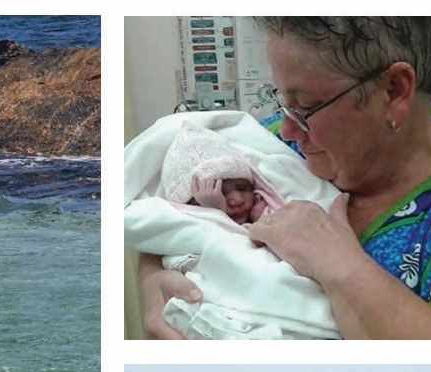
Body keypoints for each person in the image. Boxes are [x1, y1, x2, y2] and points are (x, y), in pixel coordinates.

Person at [136, 17, 431, 339]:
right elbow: (171, 207)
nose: (286, 128)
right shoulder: (267, 144)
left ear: (393, 90)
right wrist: (152, 278)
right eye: (283, 102)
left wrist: (336, 263)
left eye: (305, 107)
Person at [125, 115, 342, 339]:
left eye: (242, 188)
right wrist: (214, 212)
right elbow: (173, 236)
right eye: (220, 192)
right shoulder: (281, 132)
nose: (236, 199)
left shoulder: (269, 203)